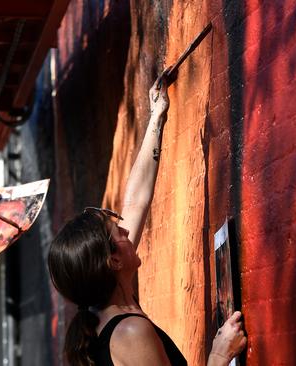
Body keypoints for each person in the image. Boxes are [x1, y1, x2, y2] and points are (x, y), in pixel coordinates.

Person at [48, 73, 247, 366]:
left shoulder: (108, 320)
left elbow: (136, 201)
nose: (128, 231)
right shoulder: (129, 332)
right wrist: (219, 355)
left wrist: (157, 117)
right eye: (119, 233)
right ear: (113, 261)